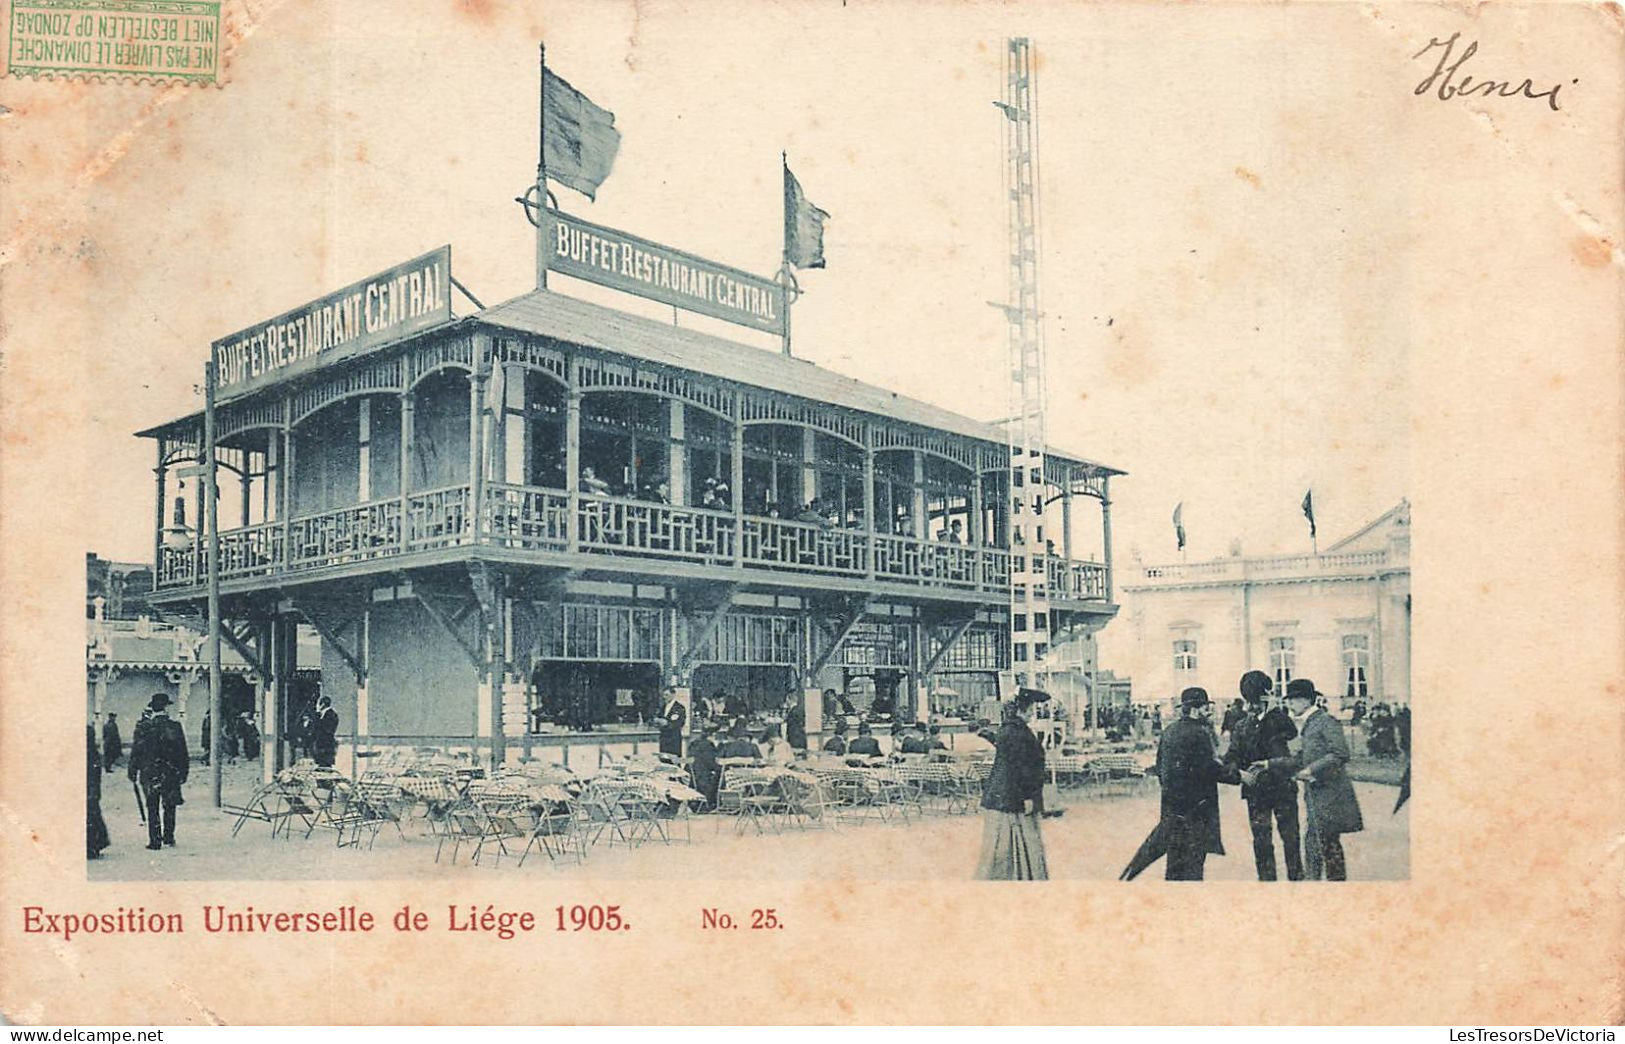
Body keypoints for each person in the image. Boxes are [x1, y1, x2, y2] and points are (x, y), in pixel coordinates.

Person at [1258, 678, 1364, 881]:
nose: (1289, 704)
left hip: (1330, 794)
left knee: (1321, 842)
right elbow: (1301, 758)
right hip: (1317, 794)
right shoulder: (1310, 723)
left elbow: (1340, 753)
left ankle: (1321, 886)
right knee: (1322, 842)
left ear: (1306, 700)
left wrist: (1312, 770)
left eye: (1293, 700)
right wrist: (1269, 763)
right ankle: (1326, 883)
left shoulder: (1325, 721)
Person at [1124, 687, 1232, 881]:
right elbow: (1209, 769)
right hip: (1197, 812)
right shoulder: (1199, 733)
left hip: (1172, 810)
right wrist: (1239, 776)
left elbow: (1160, 767)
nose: (1208, 711)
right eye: (1205, 707)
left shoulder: (1169, 731)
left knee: (1174, 866)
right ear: (1195, 709)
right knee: (1193, 868)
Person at [1223, 670, 1303, 881]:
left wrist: (1275, 712)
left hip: (1283, 788)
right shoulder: (1241, 726)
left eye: (1257, 700)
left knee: (1291, 838)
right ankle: (1267, 883)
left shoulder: (1284, 721)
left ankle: (1296, 880)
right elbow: (1231, 756)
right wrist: (1238, 773)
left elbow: (1295, 758)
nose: (1253, 706)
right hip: (1256, 792)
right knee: (1261, 840)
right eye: (1250, 701)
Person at [974, 689, 1050, 880]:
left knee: (1004, 844)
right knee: (1015, 842)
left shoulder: (1009, 729)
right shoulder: (1017, 732)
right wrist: (1028, 796)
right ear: (1021, 710)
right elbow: (1020, 768)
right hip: (1014, 798)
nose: (1033, 712)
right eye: (1031, 708)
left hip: (1003, 796)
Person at [127, 692, 189, 851]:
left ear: (152, 709)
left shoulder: (143, 726)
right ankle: (169, 836)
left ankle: (155, 840)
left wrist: (132, 770)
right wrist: (183, 772)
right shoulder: (175, 726)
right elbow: (183, 751)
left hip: (150, 772)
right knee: (170, 805)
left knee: (152, 806)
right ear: (166, 708)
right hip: (170, 772)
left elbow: (136, 751)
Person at [86, 725, 110, 859]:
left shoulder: (89, 753)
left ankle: (92, 846)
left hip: (88, 789)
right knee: (92, 816)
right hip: (91, 789)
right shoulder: (93, 753)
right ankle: (95, 845)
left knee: (90, 817)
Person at [688, 727, 721, 808]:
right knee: (720, 775)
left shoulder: (694, 744)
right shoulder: (708, 745)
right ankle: (713, 803)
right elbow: (711, 763)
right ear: (712, 735)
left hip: (691, 777)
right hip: (703, 778)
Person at [310, 695, 339, 768]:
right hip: (322, 744)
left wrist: (316, 716)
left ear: (322, 704)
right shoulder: (323, 714)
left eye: (317, 704)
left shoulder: (331, 714)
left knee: (324, 765)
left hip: (325, 745)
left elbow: (325, 729)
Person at [657, 687, 687, 758]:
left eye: (667, 695)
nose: (664, 697)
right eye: (663, 695)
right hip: (664, 737)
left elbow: (680, 723)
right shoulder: (663, 707)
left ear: (673, 695)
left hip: (673, 738)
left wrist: (667, 724)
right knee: (664, 759)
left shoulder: (679, 708)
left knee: (674, 759)